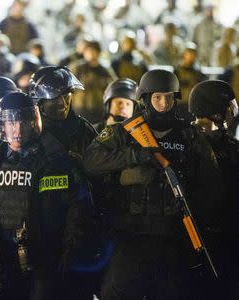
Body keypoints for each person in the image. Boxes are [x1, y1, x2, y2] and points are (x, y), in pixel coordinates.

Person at [81, 69, 224, 299]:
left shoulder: (189, 135)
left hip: (174, 238)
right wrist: (134, 156)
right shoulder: (123, 132)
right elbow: (91, 162)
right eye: (157, 97)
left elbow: (212, 185)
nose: (164, 104)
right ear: (146, 99)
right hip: (130, 237)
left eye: (169, 97)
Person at [0, 92, 90, 299]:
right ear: (2, 126)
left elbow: (78, 208)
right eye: (11, 123)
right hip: (0, 257)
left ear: (33, 124)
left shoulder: (55, 161)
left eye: (23, 123)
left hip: (44, 259)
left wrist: (70, 251)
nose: (17, 130)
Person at [188, 79, 239, 298]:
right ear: (216, 110)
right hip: (201, 242)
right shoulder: (189, 143)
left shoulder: (228, 144)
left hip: (228, 239)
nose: (233, 111)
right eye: (229, 106)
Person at [29, 66, 97, 162]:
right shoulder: (29, 131)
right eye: (55, 98)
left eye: (66, 96)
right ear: (39, 103)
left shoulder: (83, 128)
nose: (63, 103)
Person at [69, 40, 116, 123]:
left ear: (98, 53)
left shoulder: (105, 70)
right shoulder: (77, 68)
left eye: (93, 51)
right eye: (88, 51)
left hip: (98, 110)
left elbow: (114, 86)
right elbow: (68, 87)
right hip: (80, 109)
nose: (91, 53)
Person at [174, 42, 207, 121]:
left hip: (193, 105)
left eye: (193, 54)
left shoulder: (198, 72)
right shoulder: (177, 70)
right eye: (189, 53)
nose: (191, 56)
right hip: (180, 104)